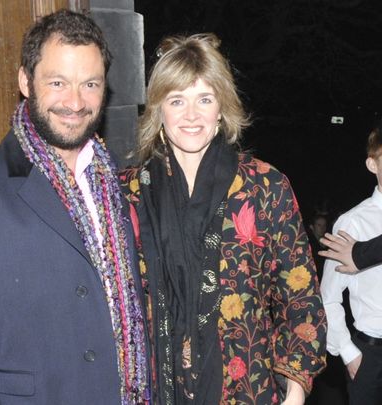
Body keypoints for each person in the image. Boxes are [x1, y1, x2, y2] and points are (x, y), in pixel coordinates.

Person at [0, 10, 149, 404]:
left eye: (90, 84)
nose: (76, 102)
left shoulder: (117, 183)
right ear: (25, 82)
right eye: (58, 82)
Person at [120, 34, 326, 405]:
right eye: (177, 100)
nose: (191, 115)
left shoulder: (265, 186)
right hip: (152, 392)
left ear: (221, 107)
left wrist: (294, 394)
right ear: (158, 109)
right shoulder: (127, 194)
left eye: (204, 99)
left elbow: (301, 298)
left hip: (247, 390)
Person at [320, 123, 382, 405]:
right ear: (373, 164)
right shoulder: (353, 222)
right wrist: (348, 352)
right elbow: (328, 298)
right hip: (371, 356)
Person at [306, 213, 328, 280]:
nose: (322, 228)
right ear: (312, 227)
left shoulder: (328, 242)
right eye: (319, 225)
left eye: (324, 225)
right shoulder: (307, 244)